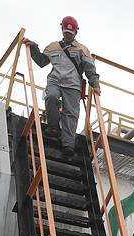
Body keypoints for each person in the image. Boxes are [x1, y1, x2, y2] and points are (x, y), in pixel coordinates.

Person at [24, 16, 100, 157]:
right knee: (51, 97)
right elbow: (41, 61)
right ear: (62, 30)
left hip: (73, 85)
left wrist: (95, 85)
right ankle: (53, 128)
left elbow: (90, 69)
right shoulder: (53, 47)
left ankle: (68, 144)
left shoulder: (82, 49)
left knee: (70, 114)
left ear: (76, 32)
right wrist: (33, 48)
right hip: (55, 80)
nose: (68, 35)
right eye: (66, 32)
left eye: (70, 33)